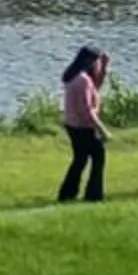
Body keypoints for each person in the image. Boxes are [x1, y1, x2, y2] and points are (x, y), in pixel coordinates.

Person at [56, 45, 110, 202]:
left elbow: (96, 87)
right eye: (97, 61)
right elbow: (87, 110)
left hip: (72, 124)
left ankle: (67, 193)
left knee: (80, 159)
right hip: (82, 126)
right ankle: (93, 194)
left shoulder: (73, 76)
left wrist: (105, 67)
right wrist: (102, 129)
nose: (98, 65)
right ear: (89, 61)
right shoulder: (83, 80)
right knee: (98, 157)